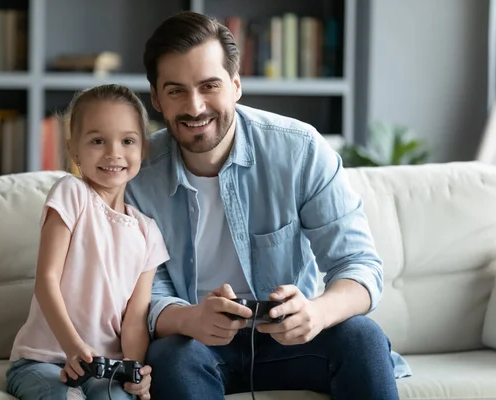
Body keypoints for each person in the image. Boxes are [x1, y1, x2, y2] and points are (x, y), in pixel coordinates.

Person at [124, 11, 411, 400]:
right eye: (176, 91)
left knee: (362, 336)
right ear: (156, 97)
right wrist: (191, 318)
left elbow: (359, 265)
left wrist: (317, 313)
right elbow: (144, 293)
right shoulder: (135, 173)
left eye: (209, 85)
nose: (195, 107)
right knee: (171, 357)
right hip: (197, 343)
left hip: (294, 340)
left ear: (236, 85)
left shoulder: (300, 150)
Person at [6, 84, 170, 400]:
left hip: (104, 369)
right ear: (74, 150)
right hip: (42, 360)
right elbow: (46, 281)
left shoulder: (148, 232)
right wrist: (73, 348)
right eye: (97, 141)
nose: (114, 153)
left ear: (142, 150)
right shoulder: (71, 194)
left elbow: (135, 320)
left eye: (127, 141)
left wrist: (134, 370)